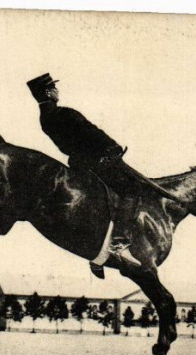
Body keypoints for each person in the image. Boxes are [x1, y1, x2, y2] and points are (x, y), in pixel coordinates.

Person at [27, 73, 143, 276]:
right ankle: (119, 242)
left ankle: (100, 253)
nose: (57, 91)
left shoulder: (44, 119)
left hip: (79, 163)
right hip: (95, 161)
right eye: (54, 88)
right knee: (131, 191)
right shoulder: (65, 113)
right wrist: (112, 147)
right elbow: (91, 132)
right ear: (48, 92)